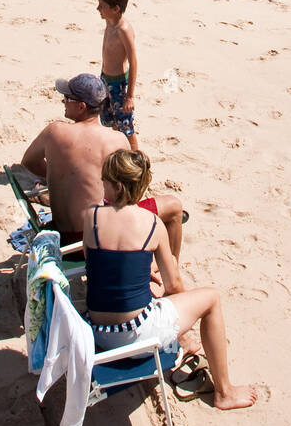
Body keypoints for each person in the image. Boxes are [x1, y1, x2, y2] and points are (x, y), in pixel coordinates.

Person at [83, 151, 257, 410]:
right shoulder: (152, 225)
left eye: (104, 180)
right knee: (211, 299)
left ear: (117, 186)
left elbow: (97, 266)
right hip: (135, 336)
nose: (102, 185)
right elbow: (174, 286)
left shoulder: (91, 217)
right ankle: (225, 392)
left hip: (97, 331)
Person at [19, 74, 185, 257]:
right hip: (94, 240)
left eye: (67, 98)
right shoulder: (115, 140)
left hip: (61, 237)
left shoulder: (54, 131)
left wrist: (61, 179)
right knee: (174, 206)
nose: (63, 101)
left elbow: (28, 162)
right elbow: (131, 194)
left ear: (82, 106)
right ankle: (170, 276)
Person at [97, 0, 139, 151]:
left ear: (116, 9)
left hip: (119, 84)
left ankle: (136, 157)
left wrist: (129, 96)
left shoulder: (124, 30)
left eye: (102, 6)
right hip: (105, 78)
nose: (98, 8)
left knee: (126, 125)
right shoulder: (109, 21)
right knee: (110, 121)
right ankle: (120, 152)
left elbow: (133, 62)